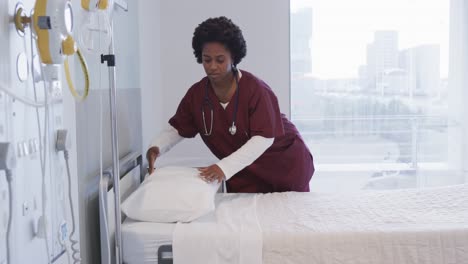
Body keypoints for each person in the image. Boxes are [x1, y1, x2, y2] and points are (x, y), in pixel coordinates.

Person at [146, 16, 314, 193]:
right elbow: (178, 128)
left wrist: (223, 168)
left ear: (233, 57)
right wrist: (157, 147)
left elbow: (263, 139)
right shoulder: (197, 95)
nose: (212, 66)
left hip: (284, 164)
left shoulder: (256, 89)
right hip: (245, 172)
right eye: (206, 59)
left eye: (220, 60)